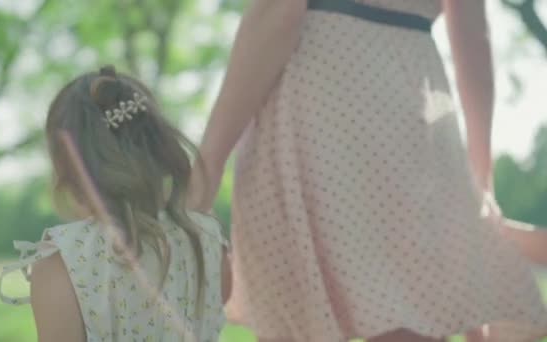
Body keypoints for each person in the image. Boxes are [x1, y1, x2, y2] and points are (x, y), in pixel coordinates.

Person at [188, 0, 547, 341]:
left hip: (312, 100)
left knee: (295, 320)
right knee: (412, 318)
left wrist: (209, 163)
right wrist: (479, 184)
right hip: (413, 108)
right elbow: (473, 40)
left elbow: (280, 11)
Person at [0, 65, 230, 342]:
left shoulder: (62, 262)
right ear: (156, 146)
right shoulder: (205, 238)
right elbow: (218, 301)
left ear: (66, 170)